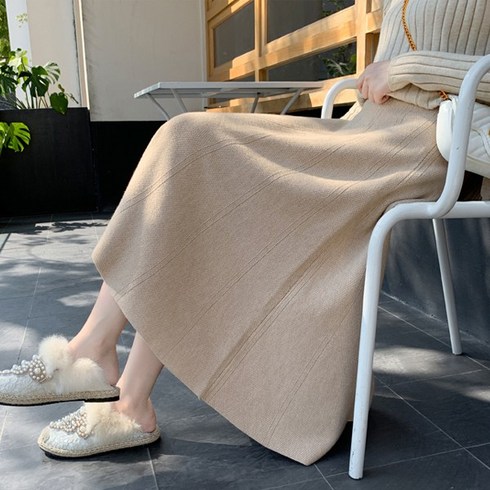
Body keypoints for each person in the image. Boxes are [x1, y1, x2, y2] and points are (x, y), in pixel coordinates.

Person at [1, 0, 489, 464]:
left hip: (419, 142)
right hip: (361, 128)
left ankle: (114, 381)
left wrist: (404, 70)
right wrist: (383, 74)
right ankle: (106, 362)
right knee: (184, 140)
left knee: (197, 148)